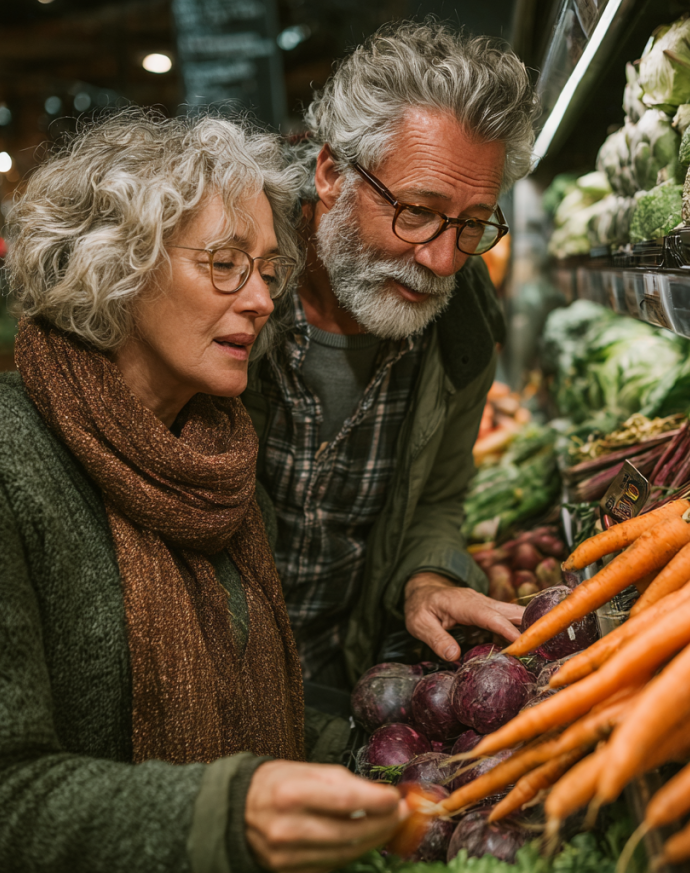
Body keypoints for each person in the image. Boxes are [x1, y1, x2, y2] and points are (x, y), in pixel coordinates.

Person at [0, 110, 406, 873]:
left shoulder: (212, 453)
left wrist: (401, 748)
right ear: (117, 263)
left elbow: (253, 717)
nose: (259, 299)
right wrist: (216, 813)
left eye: (265, 270)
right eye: (225, 263)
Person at [243, 20, 539, 701]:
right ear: (329, 173)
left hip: (338, 684)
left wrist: (427, 576)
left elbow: (437, 497)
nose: (440, 259)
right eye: (416, 210)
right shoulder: (226, 294)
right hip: (199, 683)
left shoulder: (461, 327)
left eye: (472, 223)